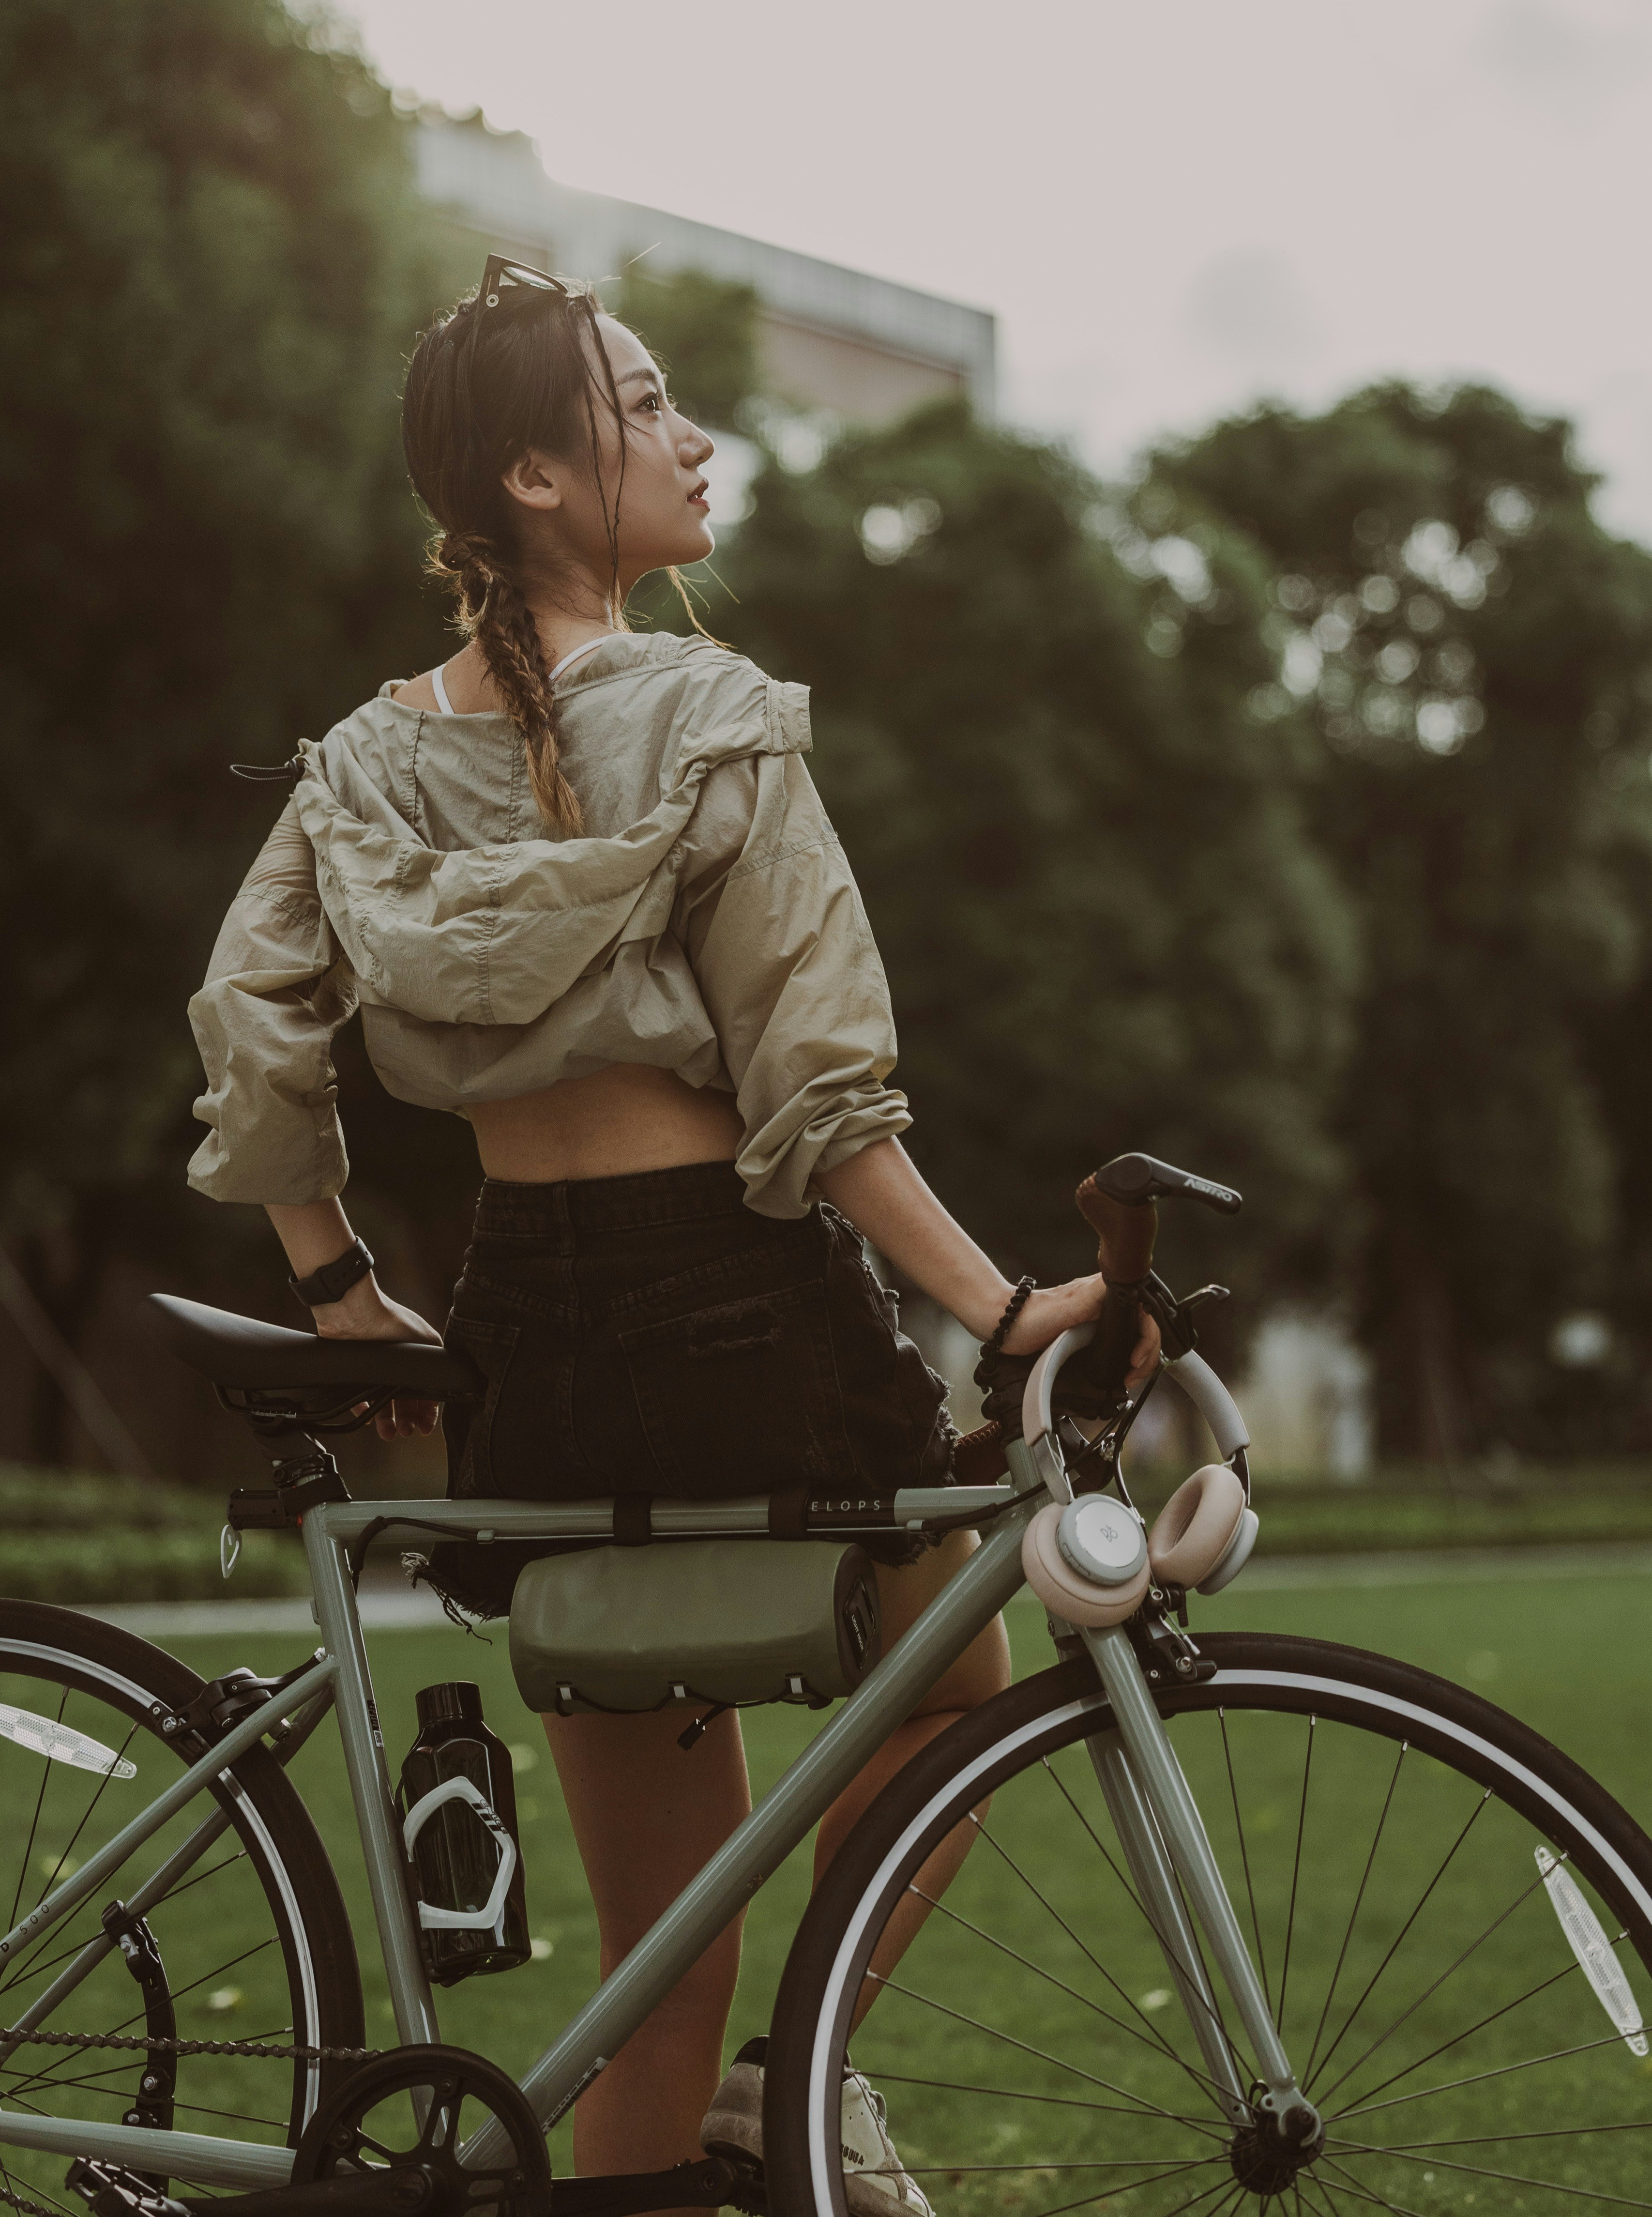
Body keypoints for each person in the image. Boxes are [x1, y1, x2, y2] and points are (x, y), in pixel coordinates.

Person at [186, 257, 1157, 2211]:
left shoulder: (362, 759)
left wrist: (335, 1279)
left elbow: (249, 1037)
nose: (696, 437)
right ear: (541, 481)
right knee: (951, 1689)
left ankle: (737, 2090)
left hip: (522, 1337)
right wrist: (1000, 1309)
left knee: (651, 1972)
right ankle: (793, 2087)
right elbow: (822, 1100)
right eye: (646, 406)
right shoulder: (712, 715)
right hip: (735, 1316)